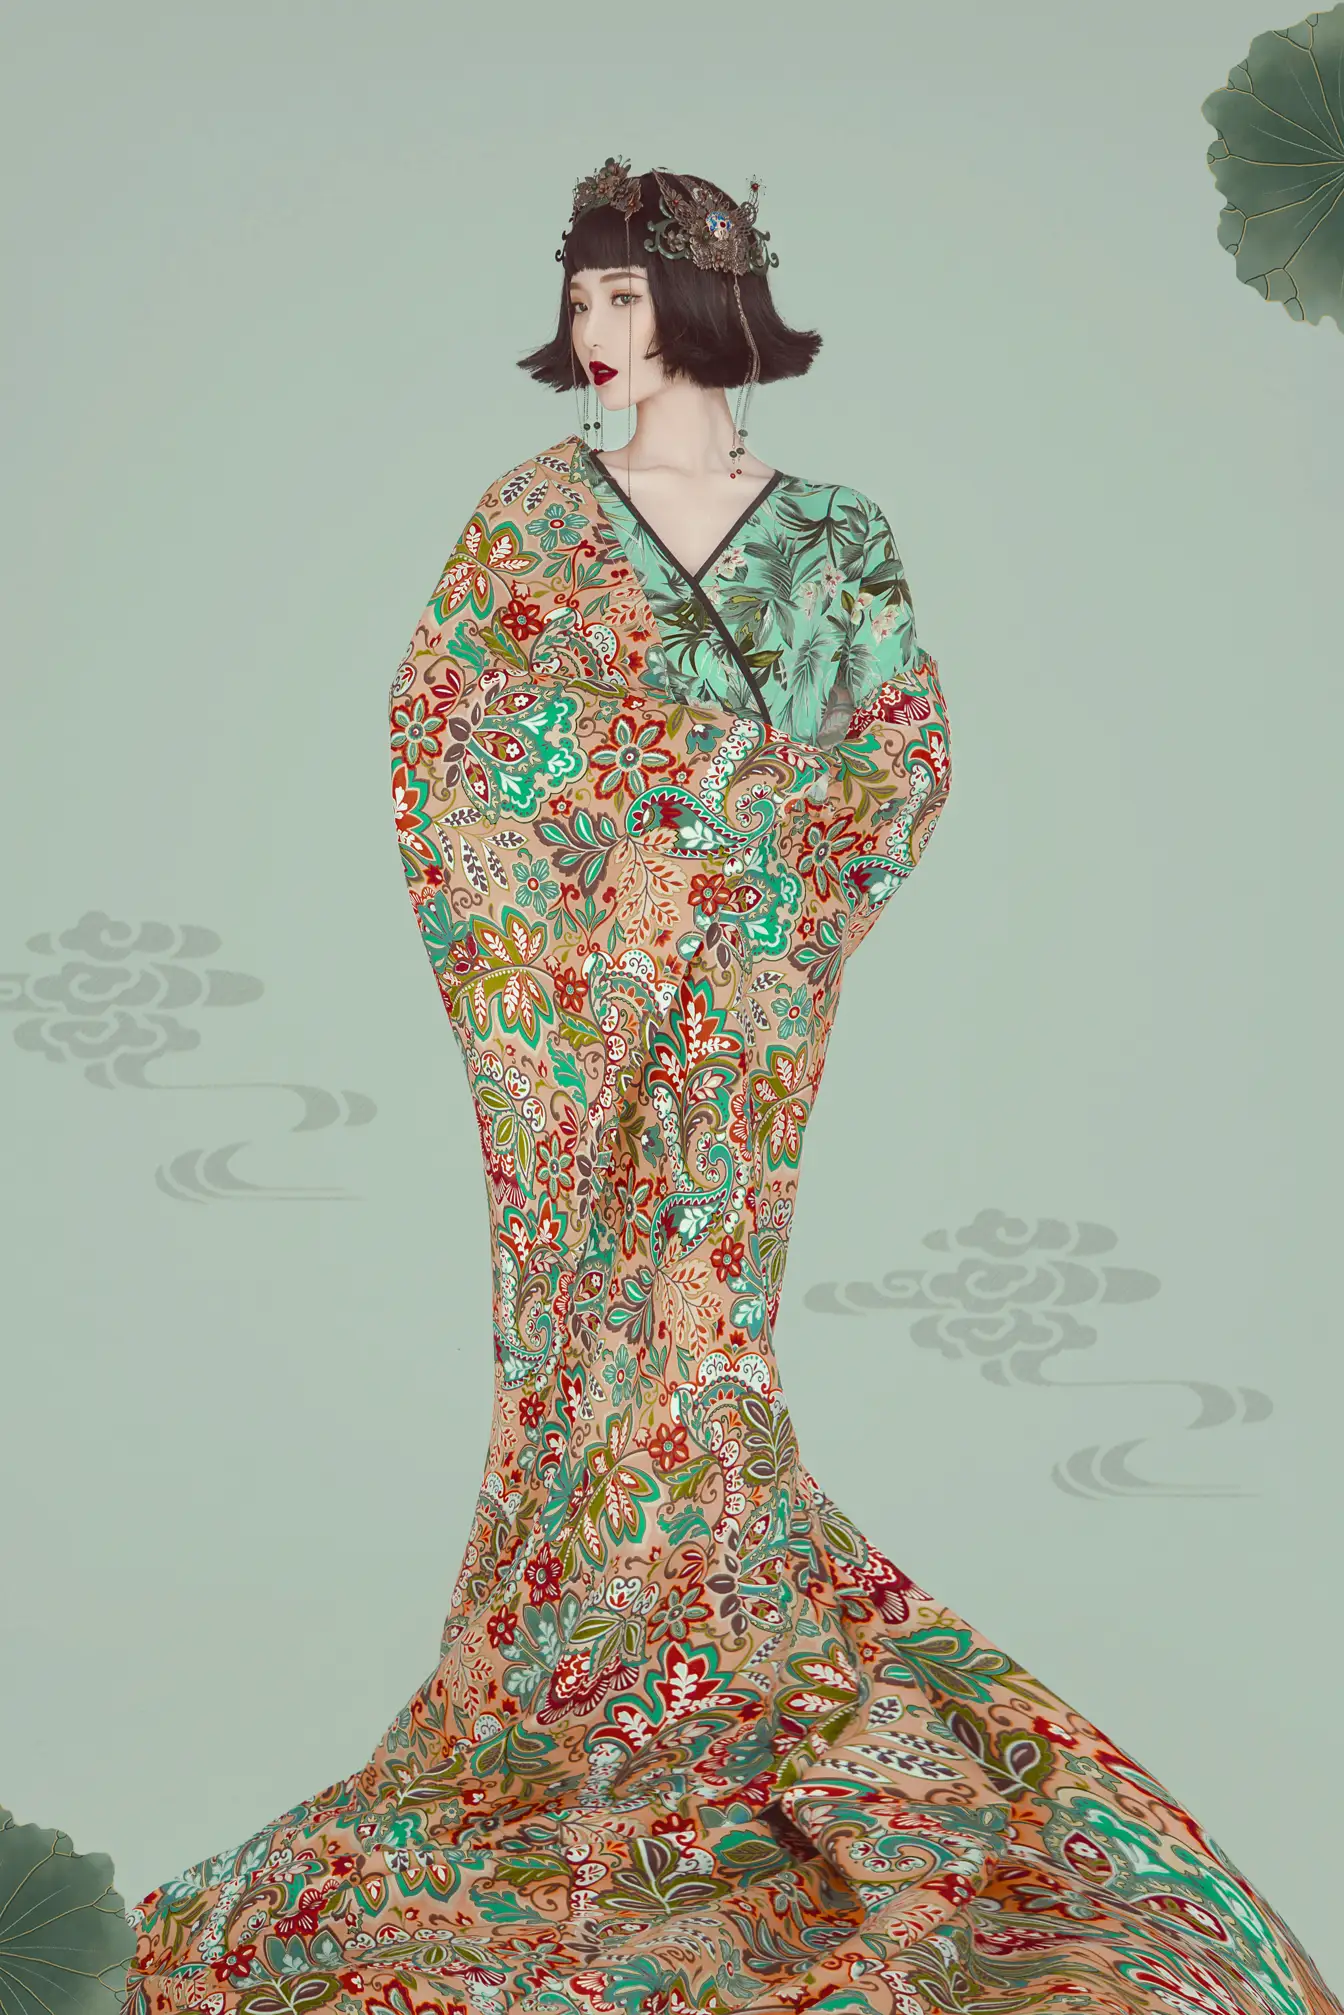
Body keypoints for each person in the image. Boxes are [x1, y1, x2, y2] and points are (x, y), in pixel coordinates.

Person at [124, 162, 1341, 2015]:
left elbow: (900, 753)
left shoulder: (834, 535)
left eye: (626, 298)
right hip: (579, 1001)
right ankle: (584, 1684)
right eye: (583, 301)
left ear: (707, 305)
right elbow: (450, 738)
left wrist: (734, 847)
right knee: (580, 1327)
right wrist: (639, 854)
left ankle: (719, 1656)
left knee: (710, 1325)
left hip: (752, 991)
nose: (598, 336)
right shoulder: (531, 524)